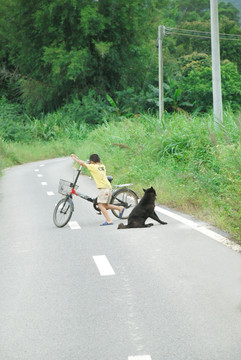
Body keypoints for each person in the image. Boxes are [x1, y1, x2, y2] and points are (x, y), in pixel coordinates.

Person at [71, 153, 124, 226]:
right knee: (105, 205)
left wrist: (74, 158)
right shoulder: (102, 166)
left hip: (104, 188)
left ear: (92, 162)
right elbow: (85, 163)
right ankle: (119, 208)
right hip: (107, 187)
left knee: (100, 205)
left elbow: (81, 163)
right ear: (99, 160)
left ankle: (109, 221)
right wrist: (87, 162)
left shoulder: (93, 167)